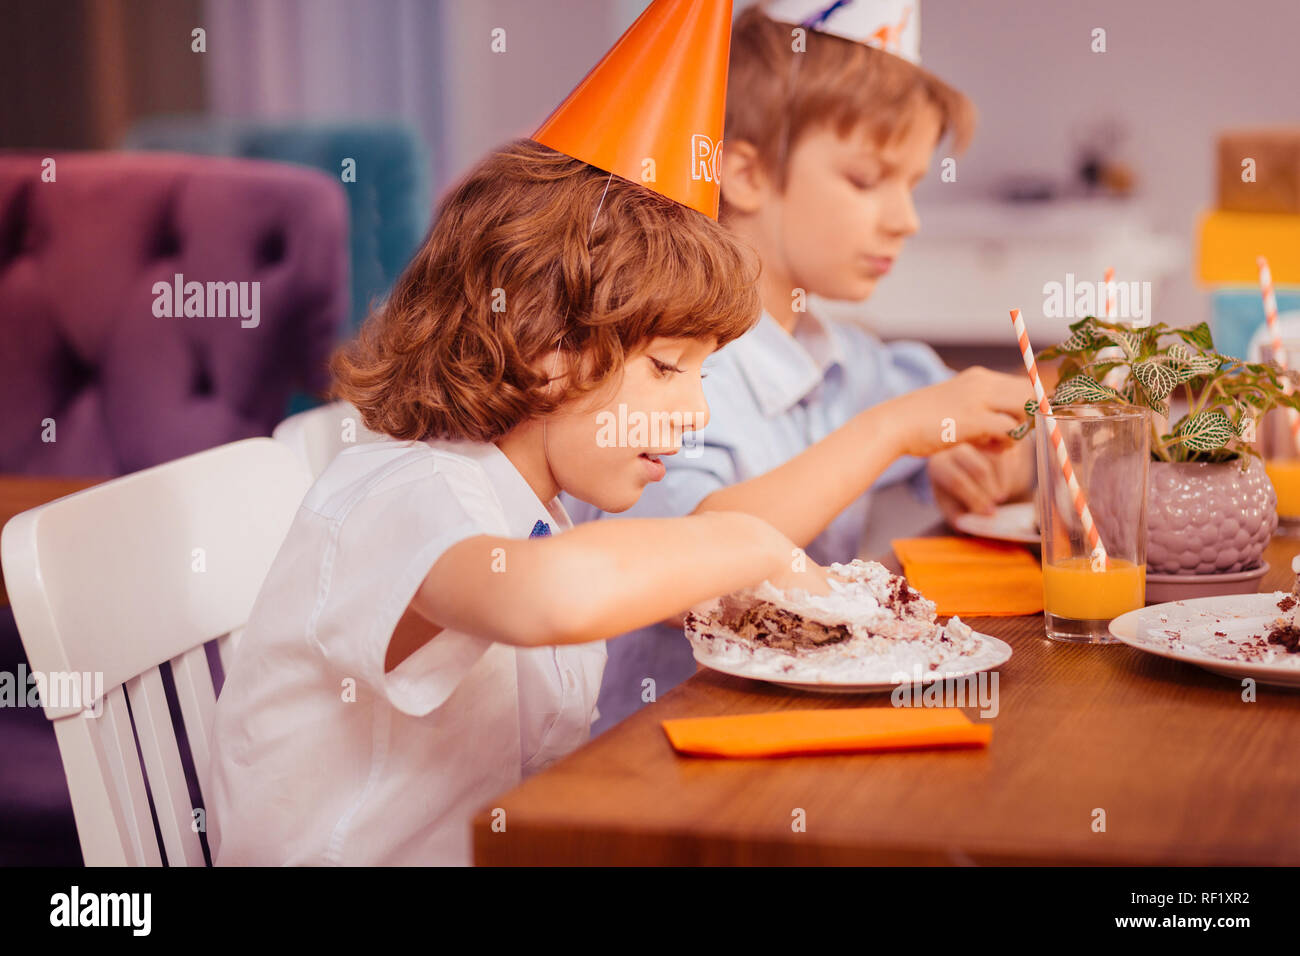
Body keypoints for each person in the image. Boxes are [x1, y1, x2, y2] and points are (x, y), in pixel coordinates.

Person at [569, 0, 1036, 733]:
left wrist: (982, 461)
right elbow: (674, 564)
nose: (905, 219)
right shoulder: (662, 371)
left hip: (799, 724)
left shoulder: (847, 361)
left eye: (911, 184)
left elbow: (1004, 441)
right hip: (655, 754)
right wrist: (889, 434)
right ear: (746, 176)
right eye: (866, 179)